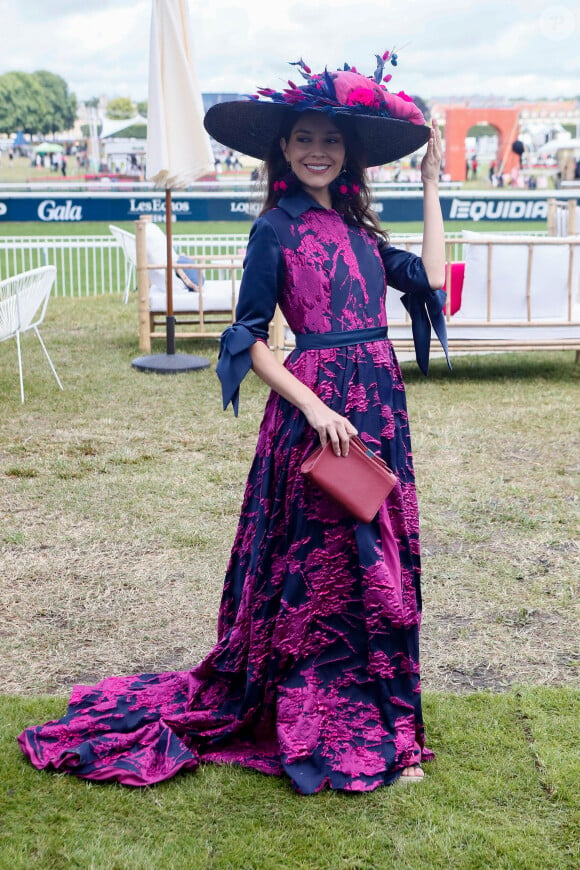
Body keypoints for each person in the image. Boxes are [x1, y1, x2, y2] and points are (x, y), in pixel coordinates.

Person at [18, 54, 449, 793]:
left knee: (375, 560)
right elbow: (245, 338)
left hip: (378, 408)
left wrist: (434, 183)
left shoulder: (363, 234)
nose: (318, 150)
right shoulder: (273, 231)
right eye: (305, 138)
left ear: (349, 155)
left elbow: (435, 283)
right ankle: (314, 712)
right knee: (314, 572)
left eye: (332, 141)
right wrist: (312, 406)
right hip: (316, 412)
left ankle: (378, 709)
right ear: (283, 149)